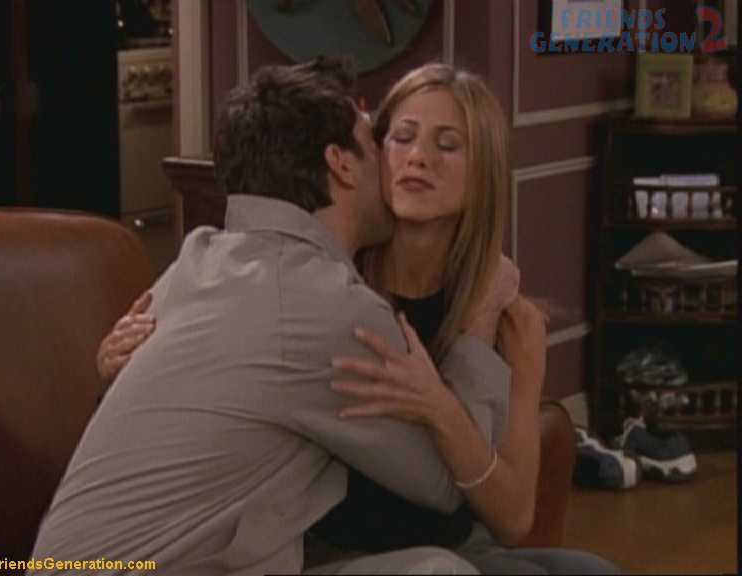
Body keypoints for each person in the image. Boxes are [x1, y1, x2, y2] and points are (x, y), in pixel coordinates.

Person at [99, 62, 620, 575]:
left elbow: (514, 520)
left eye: (447, 145)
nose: (418, 158)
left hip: (453, 539)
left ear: (484, 170)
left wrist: (487, 337)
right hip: (323, 549)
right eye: (401, 138)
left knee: (590, 570)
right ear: (367, 155)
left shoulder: (507, 315)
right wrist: (123, 360)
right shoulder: (326, 291)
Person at [28, 57, 514, 576]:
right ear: (342, 164)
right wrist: (481, 319)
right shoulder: (328, 305)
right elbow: (446, 487)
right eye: (381, 142)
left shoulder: (196, 260)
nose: (404, 163)